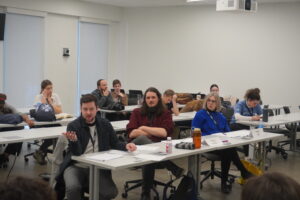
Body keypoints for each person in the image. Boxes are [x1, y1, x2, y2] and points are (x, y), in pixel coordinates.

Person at [56, 94, 136, 200]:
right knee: (72, 188)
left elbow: (115, 143)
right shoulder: (73, 125)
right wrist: (74, 141)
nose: (88, 112)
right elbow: (77, 153)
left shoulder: (105, 124)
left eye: (91, 109)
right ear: (80, 109)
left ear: (97, 109)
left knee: (110, 193)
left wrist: (126, 145)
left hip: (97, 167)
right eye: (85, 109)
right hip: (76, 166)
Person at [127, 87, 184, 200]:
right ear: (145, 99)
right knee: (142, 138)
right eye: (148, 98)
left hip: (156, 150)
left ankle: (145, 193)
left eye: (153, 97)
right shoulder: (137, 112)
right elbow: (132, 133)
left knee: (149, 156)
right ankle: (172, 167)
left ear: (158, 98)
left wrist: (143, 127)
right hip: (136, 148)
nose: (150, 100)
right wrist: (152, 133)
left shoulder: (165, 113)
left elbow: (164, 132)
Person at [192, 92, 253, 194]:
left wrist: (230, 137)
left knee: (228, 150)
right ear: (206, 102)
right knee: (229, 150)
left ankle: (228, 181)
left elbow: (228, 132)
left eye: (213, 101)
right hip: (207, 145)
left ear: (217, 104)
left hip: (222, 144)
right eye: (209, 101)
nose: (210, 103)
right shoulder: (200, 114)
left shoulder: (220, 116)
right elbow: (194, 131)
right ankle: (242, 173)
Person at [0, 93, 34, 168]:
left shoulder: (7, 106)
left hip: (4, 126)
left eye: (2, 103)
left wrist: (28, 120)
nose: (1, 105)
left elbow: (20, 114)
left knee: (20, 130)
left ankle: (5, 155)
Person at [33, 79, 63, 165]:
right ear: (43, 89)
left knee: (60, 132)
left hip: (52, 121)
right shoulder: (38, 97)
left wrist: (50, 102)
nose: (50, 90)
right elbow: (40, 113)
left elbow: (59, 111)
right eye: (48, 88)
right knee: (51, 134)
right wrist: (45, 101)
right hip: (41, 123)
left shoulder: (55, 96)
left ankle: (42, 151)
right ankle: (41, 151)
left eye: (51, 88)